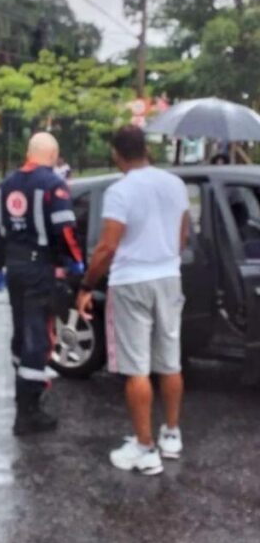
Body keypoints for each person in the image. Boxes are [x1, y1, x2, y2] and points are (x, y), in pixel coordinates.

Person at [76, 125, 189, 475]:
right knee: (170, 362)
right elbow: (183, 233)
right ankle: (171, 435)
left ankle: (145, 448)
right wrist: (166, 256)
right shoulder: (175, 184)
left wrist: (86, 285)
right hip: (169, 277)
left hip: (131, 282)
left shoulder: (120, 191)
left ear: (116, 153)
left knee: (136, 368)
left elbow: (107, 246)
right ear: (146, 149)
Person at [0, 132, 85, 436]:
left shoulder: (4, 186)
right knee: (39, 339)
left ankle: (23, 396)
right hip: (39, 269)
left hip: (14, 268)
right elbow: (65, 229)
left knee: (21, 333)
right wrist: (76, 261)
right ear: (53, 155)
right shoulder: (53, 185)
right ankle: (28, 412)